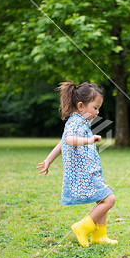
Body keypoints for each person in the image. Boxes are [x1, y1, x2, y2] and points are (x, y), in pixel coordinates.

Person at [37, 81, 117, 247]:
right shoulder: (75, 122)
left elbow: (61, 143)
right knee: (109, 199)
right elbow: (68, 140)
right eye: (95, 108)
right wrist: (89, 140)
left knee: (102, 200)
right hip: (84, 173)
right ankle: (82, 227)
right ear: (81, 106)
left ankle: (99, 235)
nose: (98, 111)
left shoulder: (80, 122)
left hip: (90, 171)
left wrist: (48, 160)